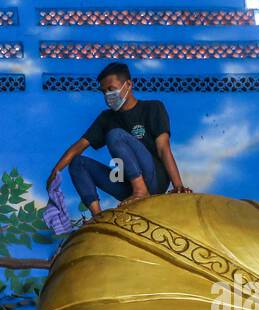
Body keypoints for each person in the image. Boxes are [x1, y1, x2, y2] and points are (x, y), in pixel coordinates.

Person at [46, 62, 190, 217]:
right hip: (125, 182)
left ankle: (140, 190)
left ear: (128, 85)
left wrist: (178, 186)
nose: (108, 95)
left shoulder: (153, 108)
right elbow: (80, 146)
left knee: (114, 135)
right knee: (77, 162)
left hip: (154, 179)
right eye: (104, 92)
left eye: (111, 89)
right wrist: (55, 171)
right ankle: (98, 216)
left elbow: (163, 148)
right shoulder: (106, 118)